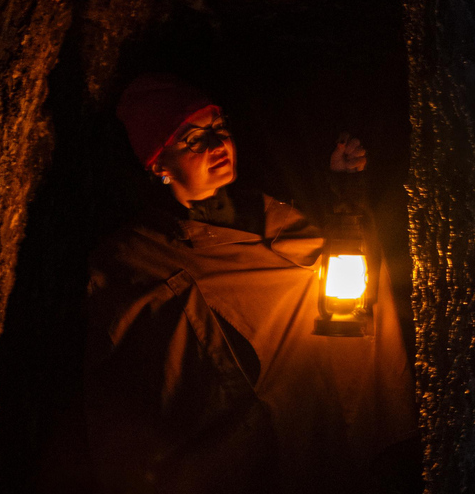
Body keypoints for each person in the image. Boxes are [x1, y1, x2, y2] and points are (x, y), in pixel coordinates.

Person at [84, 74, 417, 493]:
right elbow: (147, 385)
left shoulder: (269, 212)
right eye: (192, 140)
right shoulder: (140, 257)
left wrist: (346, 188)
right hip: (260, 455)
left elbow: (347, 269)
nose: (217, 144)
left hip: (336, 416)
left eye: (219, 128)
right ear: (159, 165)